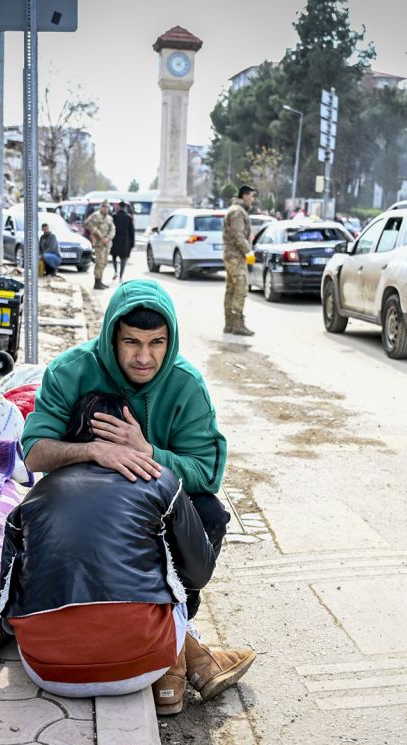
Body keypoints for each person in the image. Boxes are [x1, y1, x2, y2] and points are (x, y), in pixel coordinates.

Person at [21, 280, 253, 713]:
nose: (144, 357)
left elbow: (207, 471)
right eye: (131, 342)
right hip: (84, 511)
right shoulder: (70, 371)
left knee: (209, 513)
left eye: (156, 343)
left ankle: (174, 647)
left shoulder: (186, 386)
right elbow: (33, 452)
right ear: (112, 334)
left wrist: (148, 452)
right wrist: (94, 451)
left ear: (171, 341)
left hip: (157, 513)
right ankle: (177, 662)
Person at [0, 392, 251, 713]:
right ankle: (178, 672)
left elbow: (6, 606)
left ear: (72, 436)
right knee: (168, 569)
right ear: (133, 433)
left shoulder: (30, 501)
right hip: (144, 661)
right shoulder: (160, 481)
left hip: (46, 670)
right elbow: (198, 574)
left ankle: (191, 665)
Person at [222, 185, 256, 336]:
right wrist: (248, 251)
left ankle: (229, 324)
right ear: (244, 196)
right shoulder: (237, 212)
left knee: (231, 289)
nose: (252, 200)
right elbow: (238, 235)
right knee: (240, 290)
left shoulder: (235, 210)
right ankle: (237, 325)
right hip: (235, 257)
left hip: (232, 256)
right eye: (251, 196)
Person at [84, 200, 115, 290]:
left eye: (107, 207)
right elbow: (87, 224)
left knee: (104, 262)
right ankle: (97, 282)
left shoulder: (109, 218)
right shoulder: (95, 215)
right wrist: (98, 233)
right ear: (101, 207)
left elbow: (113, 229)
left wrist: (108, 238)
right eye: (104, 207)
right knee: (99, 262)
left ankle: (100, 281)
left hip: (107, 243)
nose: (105, 209)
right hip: (99, 243)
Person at [111, 201, 136, 281]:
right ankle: (121, 277)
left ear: (118, 207)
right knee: (123, 259)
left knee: (114, 257)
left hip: (115, 241)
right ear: (125, 207)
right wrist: (132, 244)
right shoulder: (128, 218)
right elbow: (132, 232)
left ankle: (115, 272)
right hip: (125, 242)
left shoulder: (114, 216)